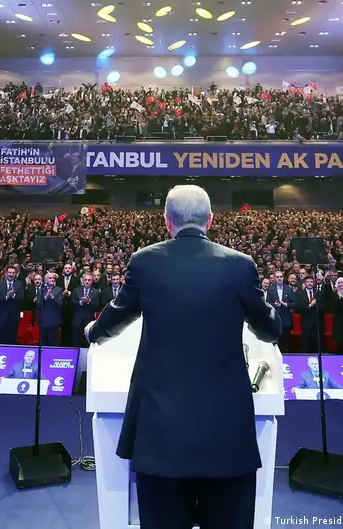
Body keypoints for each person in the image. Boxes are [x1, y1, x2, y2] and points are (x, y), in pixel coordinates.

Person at [84, 185, 281, 529]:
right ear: (211, 219)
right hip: (226, 432)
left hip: (161, 432)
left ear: (166, 221)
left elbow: (117, 317)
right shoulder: (240, 266)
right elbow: (269, 330)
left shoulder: (145, 262)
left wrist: (92, 332)